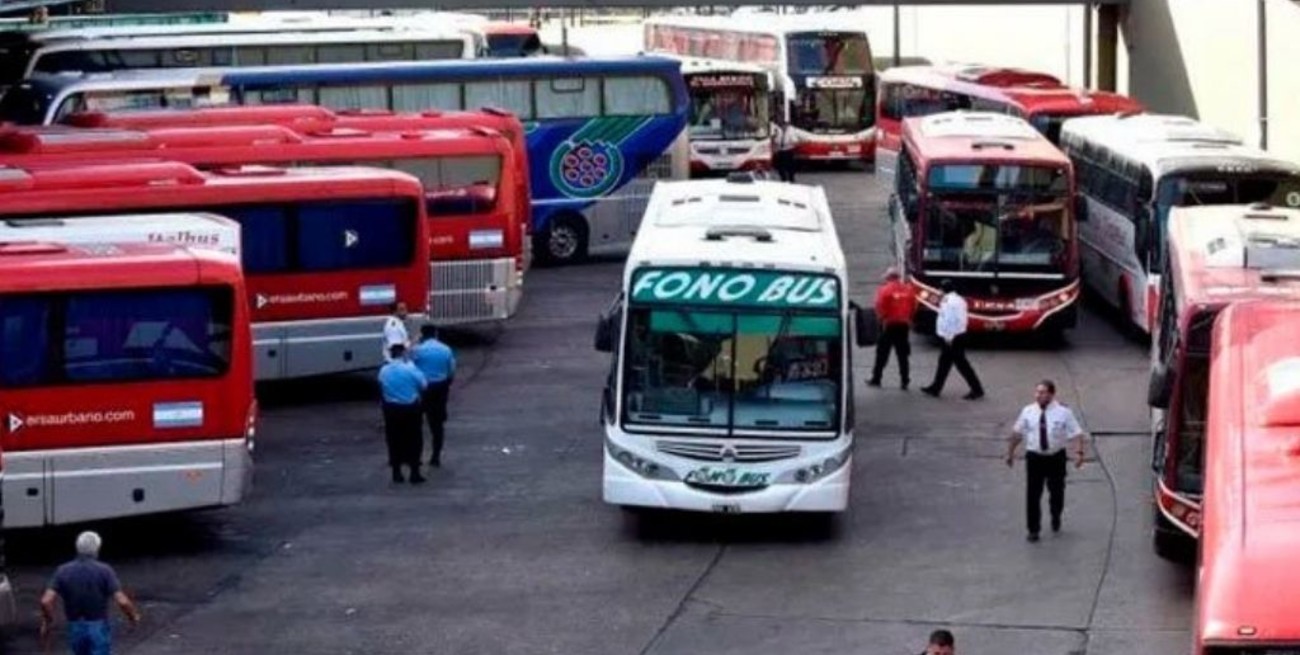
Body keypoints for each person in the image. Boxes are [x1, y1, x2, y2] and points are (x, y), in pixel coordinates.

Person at [1006, 379, 1088, 542]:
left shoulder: (1063, 412)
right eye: (1037, 392)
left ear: (1051, 394)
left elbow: (1076, 433)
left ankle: (1055, 514)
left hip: (1055, 457)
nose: (1038, 395)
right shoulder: (1028, 411)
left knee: (1057, 491)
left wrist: (1079, 453)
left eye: (1042, 392)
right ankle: (1033, 529)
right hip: (1034, 457)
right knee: (1032, 494)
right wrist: (1010, 453)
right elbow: (1017, 433)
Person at [40, 531, 142, 655]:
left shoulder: (62, 570)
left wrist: (48, 619)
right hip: (98, 625)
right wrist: (132, 616)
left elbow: (46, 601)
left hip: (75, 625)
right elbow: (122, 601)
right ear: (96, 549)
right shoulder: (105, 571)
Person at [921, 280, 984, 400]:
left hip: (952, 338)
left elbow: (950, 320)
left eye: (940, 289)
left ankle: (977, 389)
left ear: (943, 290)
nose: (939, 292)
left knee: (962, 365)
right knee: (944, 363)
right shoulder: (959, 299)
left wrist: (949, 337)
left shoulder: (948, 302)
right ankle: (936, 388)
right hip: (957, 335)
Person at [378, 343, 427, 484]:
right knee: (414, 439)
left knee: (394, 440)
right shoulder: (410, 369)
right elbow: (424, 385)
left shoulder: (384, 371)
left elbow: (381, 386)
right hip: (410, 408)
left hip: (391, 409)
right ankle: (414, 472)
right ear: (403, 353)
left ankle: (396, 472)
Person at [410, 324, 456, 468]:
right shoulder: (445, 349)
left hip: (422, 389)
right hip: (440, 388)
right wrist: (447, 382)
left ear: (422, 335)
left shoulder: (418, 350)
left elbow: (410, 367)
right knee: (437, 425)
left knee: (416, 424)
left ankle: (416, 456)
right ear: (436, 333)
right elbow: (451, 370)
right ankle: (435, 456)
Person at [868, 267, 917, 389]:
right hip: (903, 326)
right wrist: (908, 318)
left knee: (882, 353)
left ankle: (876, 378)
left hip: (889, 325)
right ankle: (905, 380)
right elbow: (914, 306)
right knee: (903, 355)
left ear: (889, 277)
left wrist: (881, 319)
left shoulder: (884, 290)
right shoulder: (908, 289)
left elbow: (879, 306)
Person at [771, 116, 800, 183]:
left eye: (784, 124)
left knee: (790, 167)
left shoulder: (791, 131)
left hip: (788, 150)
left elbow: (795, 140)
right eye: (782, 125)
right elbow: (776, 140)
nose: (783, 126)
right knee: (780, 167)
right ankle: (783, 179)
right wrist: (775, 142)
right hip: (781, 151)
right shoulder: (778, 130)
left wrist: (791, 142)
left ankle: (791, 179)